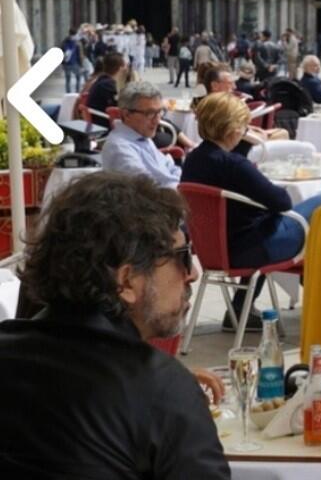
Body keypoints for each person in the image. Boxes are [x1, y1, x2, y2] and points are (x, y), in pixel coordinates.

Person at [0, 172, 231, 478]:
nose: (192, 274)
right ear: (127, 281)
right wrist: (169, 393)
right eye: (182, 257)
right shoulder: (160, 389)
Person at [181, 93, 321, 330]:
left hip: (215, 249)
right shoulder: (234, 165)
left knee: (267, 220)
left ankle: (240, 309)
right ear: (233, 128)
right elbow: (281, 201)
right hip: (250, 249)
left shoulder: (195, 158)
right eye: (244, 126)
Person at [100, 81, 182, 188]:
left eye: (160, 112)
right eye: (150, 113)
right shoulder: (119, 148)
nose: (157, 121)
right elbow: (149, 190)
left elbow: (170, 167)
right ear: (127, 114)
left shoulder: (140, 135)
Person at [85, 52, 126, 128]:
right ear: (121, 68)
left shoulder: (101, 80)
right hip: (103, 123)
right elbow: (120, 106)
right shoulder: (108, 85)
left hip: (97, 120)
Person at [62, 27, 84, 93]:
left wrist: (62, 63)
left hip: (66, 63)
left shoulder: (64, 41)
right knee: (78, 77)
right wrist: (81, 65)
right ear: (76, 33)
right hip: (75, 63)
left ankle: (68, 93)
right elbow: (80, 54)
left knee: (67, 80)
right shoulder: (77, 42)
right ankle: (77, 92)